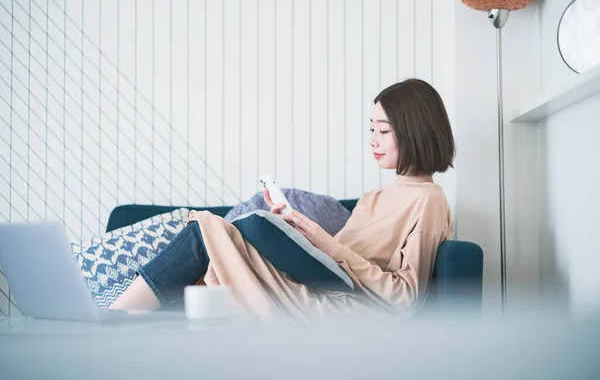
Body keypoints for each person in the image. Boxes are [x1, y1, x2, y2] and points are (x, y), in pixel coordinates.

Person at [109, 78, 455, 322]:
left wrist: (329, 246)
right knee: (217, 238)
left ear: (413, 131)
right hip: (320, 289)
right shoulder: (374, 197)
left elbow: (405, 298)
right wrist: (298, 234)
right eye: (370, 129)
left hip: (347, 311)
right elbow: (335, 264)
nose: (373, 140)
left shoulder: (429, 201)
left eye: (383, 130)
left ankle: (115, 317)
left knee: (208, 231)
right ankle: (127, 318)